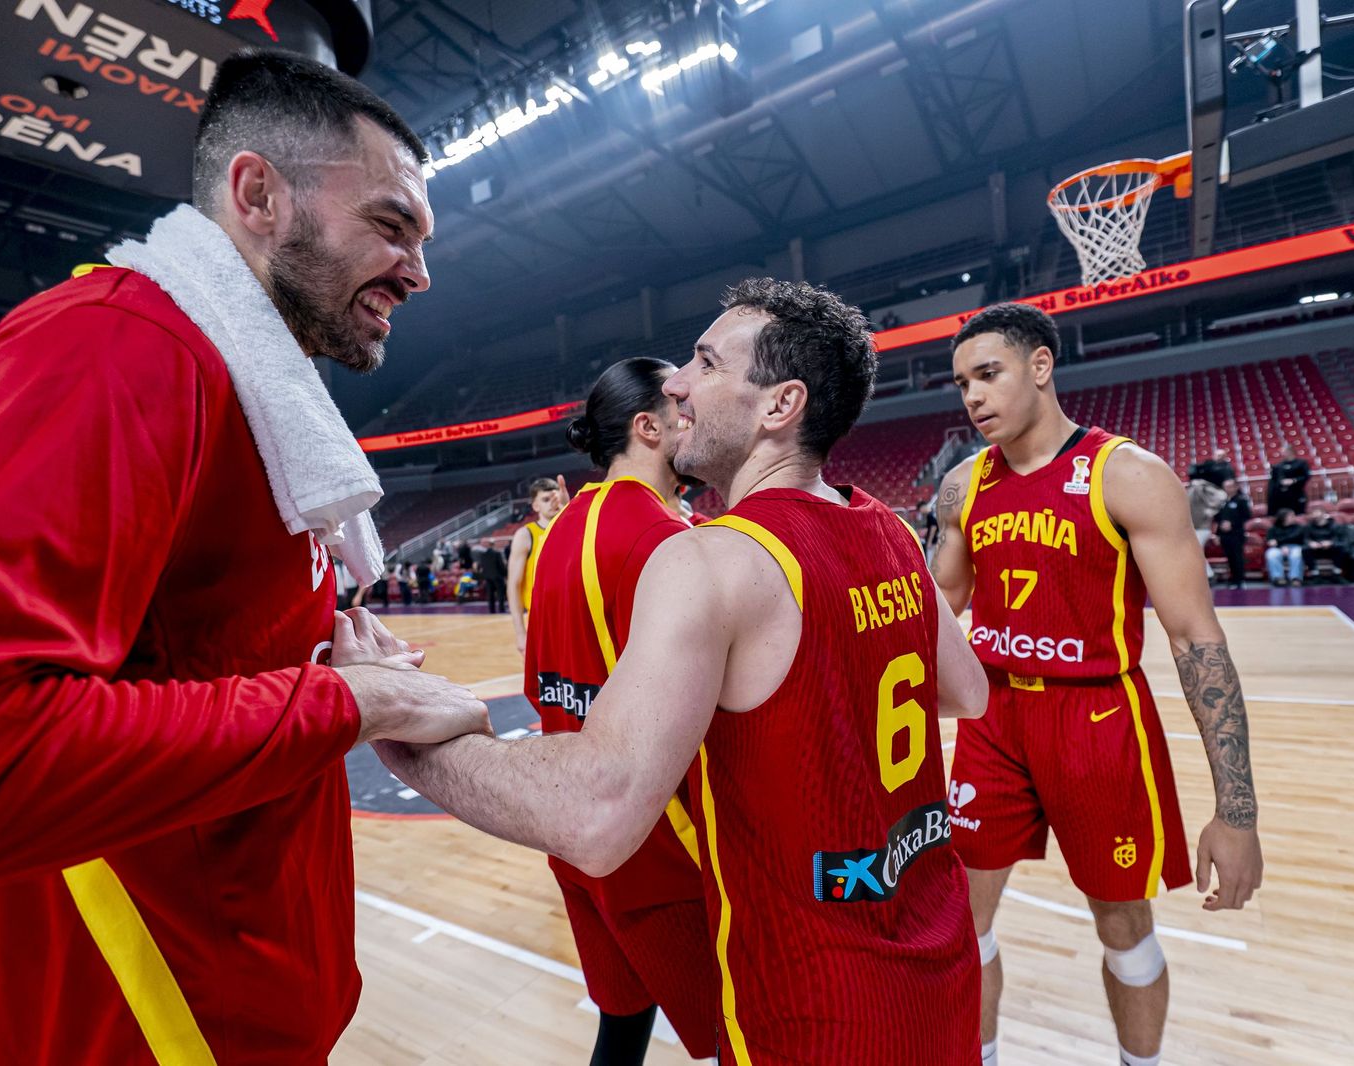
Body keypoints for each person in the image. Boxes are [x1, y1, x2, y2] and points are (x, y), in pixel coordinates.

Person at [0, 50, 492, 1066]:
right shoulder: (114, 347)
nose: (419, 270)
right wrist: (355, 704)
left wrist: (317, 659)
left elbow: (178, 658)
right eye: (390, 223)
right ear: (257, 194)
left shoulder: (247, 387)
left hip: (232, 1008)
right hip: (138, 1021)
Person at [379, 279, 991, 1063]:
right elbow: (963, 689)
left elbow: (595, 819)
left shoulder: (710, 558)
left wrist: (405, 731)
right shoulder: (886, 528)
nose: (676, 384)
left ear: (780, 406)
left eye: (704, 362)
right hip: (937, 970)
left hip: (813, 1006)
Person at [932, 303, 1264, 1066]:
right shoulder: (961, 487)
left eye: (989, 374)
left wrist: (1235, 811)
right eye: (961, 384)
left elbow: (1195, 640)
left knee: (1122, 924)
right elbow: (932, 612)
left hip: (1097, 720)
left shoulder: (1130, 476)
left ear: (1040, 367)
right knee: (961, 924)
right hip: (993, 717)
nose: (973, 397)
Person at [522, 356, 719, 1063]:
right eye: (680, 408)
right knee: (749, 1036)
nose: (693, 416)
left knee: (622, 1027)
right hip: (661, 849)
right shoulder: (665, 541)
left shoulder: (563, 528)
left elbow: (540, 683)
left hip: (576, 837)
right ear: (648, 427)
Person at [509, 475, 565, 654]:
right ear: (535, 505)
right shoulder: (526, 535)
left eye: (555, 498)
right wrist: (520, 633)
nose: (552, 503)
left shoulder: (573, 527)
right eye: (546, 499)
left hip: (572, 616)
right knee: (544, 680)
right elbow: (513, 586)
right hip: (541, 621)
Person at [1213, 479, 1253, 589]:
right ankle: (1233, 579)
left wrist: (1233, 524)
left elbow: (1247, 516)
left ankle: (1240, 580)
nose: (1227, 489)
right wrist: (1217, 534)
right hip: (1224, 535)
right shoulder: (1222, 502)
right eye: (1225, 486)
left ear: (1235, 487)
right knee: (1229, 557)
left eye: (1230, 486)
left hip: (1236, 534)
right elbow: (1218, 519)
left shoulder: (1241, 500)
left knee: (1237, 557)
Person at [1303, 504, 1353, 582]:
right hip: (1315, 550)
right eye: (1313, 513)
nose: (1314, 515)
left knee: (1341, 548)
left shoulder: (1334, 525)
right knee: (1305, 549)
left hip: (1330, 549)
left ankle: (1337, 573)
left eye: (1317, 512)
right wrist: (1311, 543)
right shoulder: (1308, 526)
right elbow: (1305, 539)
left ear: (1323, 513)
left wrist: (1331, 543)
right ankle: (1315, 574)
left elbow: (1340, 539)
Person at [1264, 509, 1304, 587]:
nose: (1294, 517)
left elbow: (1295, 538)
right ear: (1283, 517)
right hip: (1278, 548)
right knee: (1271, 554)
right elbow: (1270, 541)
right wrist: (1280, 546)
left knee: (1297, 554)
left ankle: (1295, 578)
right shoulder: (1273, 529)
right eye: (1291, 516)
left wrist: (1279, 542)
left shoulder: (1299, 527)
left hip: (1295, 546)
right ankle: (1278, 578)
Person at [1266, 446, 1310, 515]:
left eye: (1283, 452)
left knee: (1298, 513)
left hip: (1297, 494)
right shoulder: (1278, 466)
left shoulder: (1301, 463)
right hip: (1282, 496)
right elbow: (1275, 481)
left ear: (1290, 452)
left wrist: (1293, 480)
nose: (1282, 454)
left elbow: (1306, 476)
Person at [476, 538, 507, 613]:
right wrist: (505, 574)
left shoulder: (482, 555)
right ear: (493, 545)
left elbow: (480, 566)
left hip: (487, 577)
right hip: (497, 576)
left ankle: (491, 610)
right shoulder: (497, 553)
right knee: (500, 593)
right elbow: (501, 566)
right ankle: (501, 609)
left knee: (490, 594)